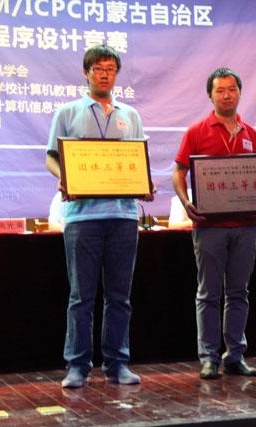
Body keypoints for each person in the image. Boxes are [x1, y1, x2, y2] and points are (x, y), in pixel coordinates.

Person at [45, 44, 154, 388]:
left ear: (116, 74)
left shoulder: (130, 115)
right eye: (98, 69)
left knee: (119, 296)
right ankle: (77, 366)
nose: (104, 75)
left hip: (123, 215)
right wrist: (64, 178)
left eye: (110, 69)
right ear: (86, 72)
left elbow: (137, 160)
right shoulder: (67, 112)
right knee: (81, 296)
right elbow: (51, 157)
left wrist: (145, 184)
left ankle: (117, 364)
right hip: (82, 217)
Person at [172, 67, 256, 380]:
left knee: (239, 292)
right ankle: (209, 358)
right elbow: (178, 172)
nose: (227, 95)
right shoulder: (196, 131)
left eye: (232, 89)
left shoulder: (252, 134)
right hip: (209, 227)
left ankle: (235, 356)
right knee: (209, 294)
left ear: (240, 92)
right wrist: (186, 202)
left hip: (245, 226)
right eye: (220, 90)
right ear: (210, 96)